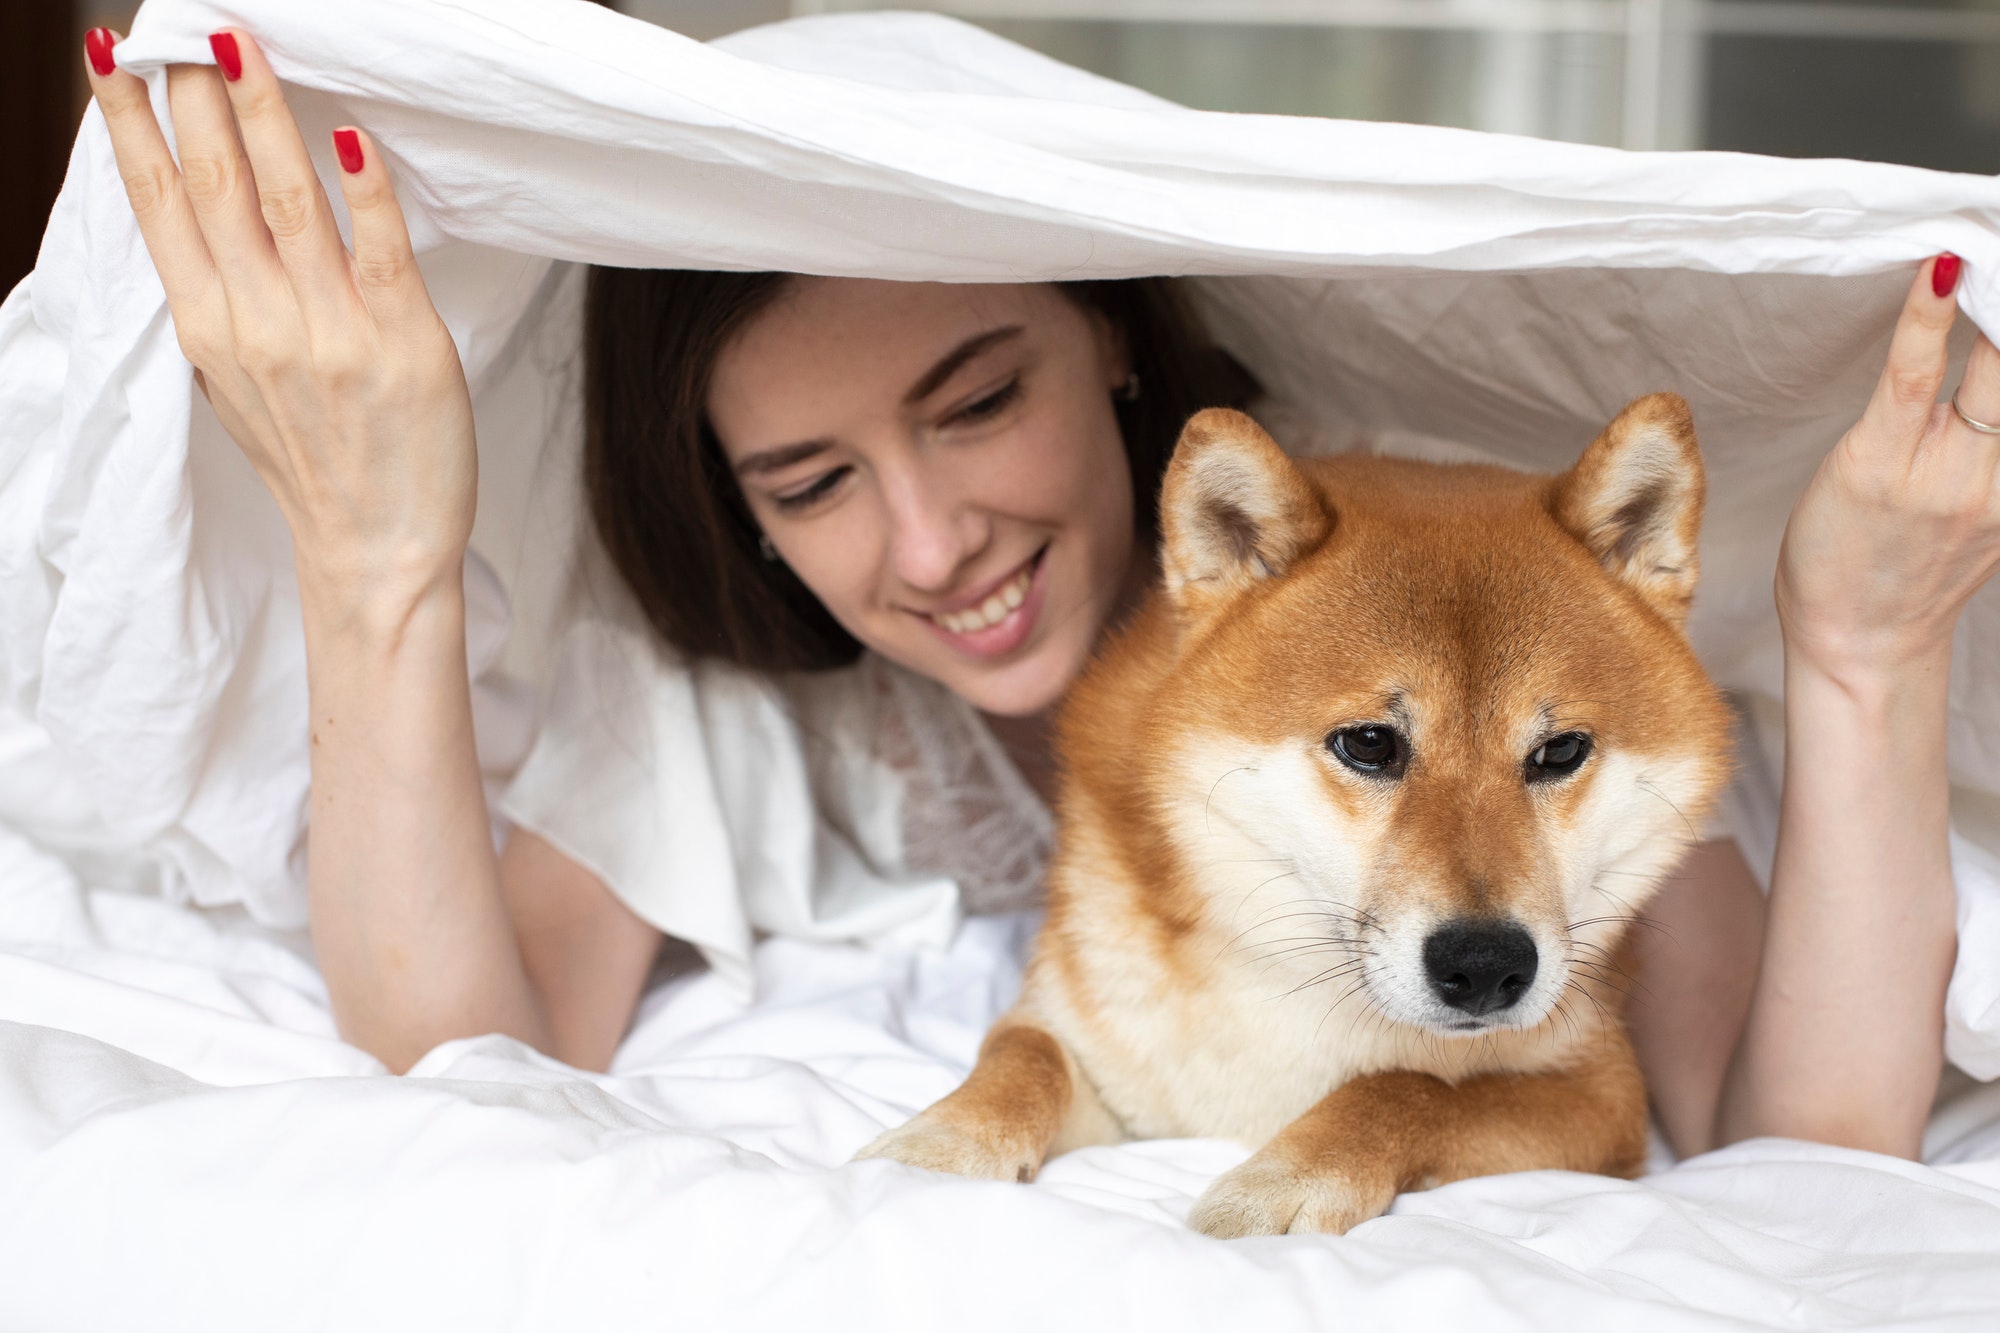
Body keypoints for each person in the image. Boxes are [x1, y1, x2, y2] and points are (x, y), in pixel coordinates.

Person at [80, 26, 1999, 1163]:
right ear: (741, 517)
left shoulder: (1419, 578)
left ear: (1108, 339)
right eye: (810, 483)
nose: (930, 548)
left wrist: (1868, 647)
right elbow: (449, 1063)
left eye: (978, 400)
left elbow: (1795, 1145)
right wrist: (372, 551)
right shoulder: (762, 702)